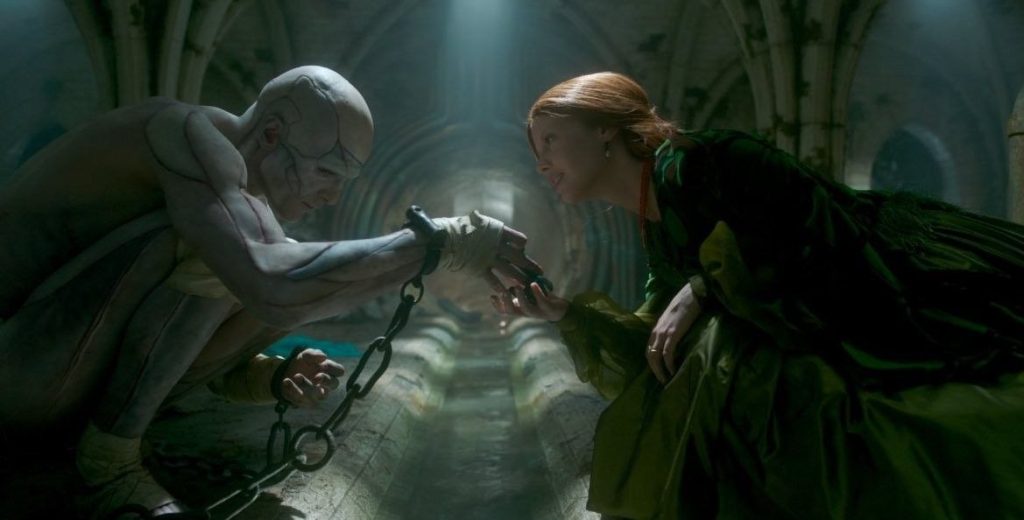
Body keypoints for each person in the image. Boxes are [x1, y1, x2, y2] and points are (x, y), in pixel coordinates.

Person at [0, 65, 539, 518]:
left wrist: (265, 376)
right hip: (16, 362)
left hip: (52, 381)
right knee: (242, 256)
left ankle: (105, 450)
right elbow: (268, 281)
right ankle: (106, 468)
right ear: (273, 134)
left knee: (283, 262)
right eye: (326, 172)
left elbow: (170, 329)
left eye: (344, 183)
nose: (331, 196)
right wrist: (439, 239)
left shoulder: (237, 204)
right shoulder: (182, 133)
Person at [494, 71, 1024, 519]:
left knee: (730, 358)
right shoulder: (655, 223)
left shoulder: (707, 159)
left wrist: (704, 288)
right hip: (814, 302)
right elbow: (653, 341)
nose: (541, 163)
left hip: (889, 271)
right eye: (537, 150)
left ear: (605, 127)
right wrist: (565, 314)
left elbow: (810, 232)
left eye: (550, 141)